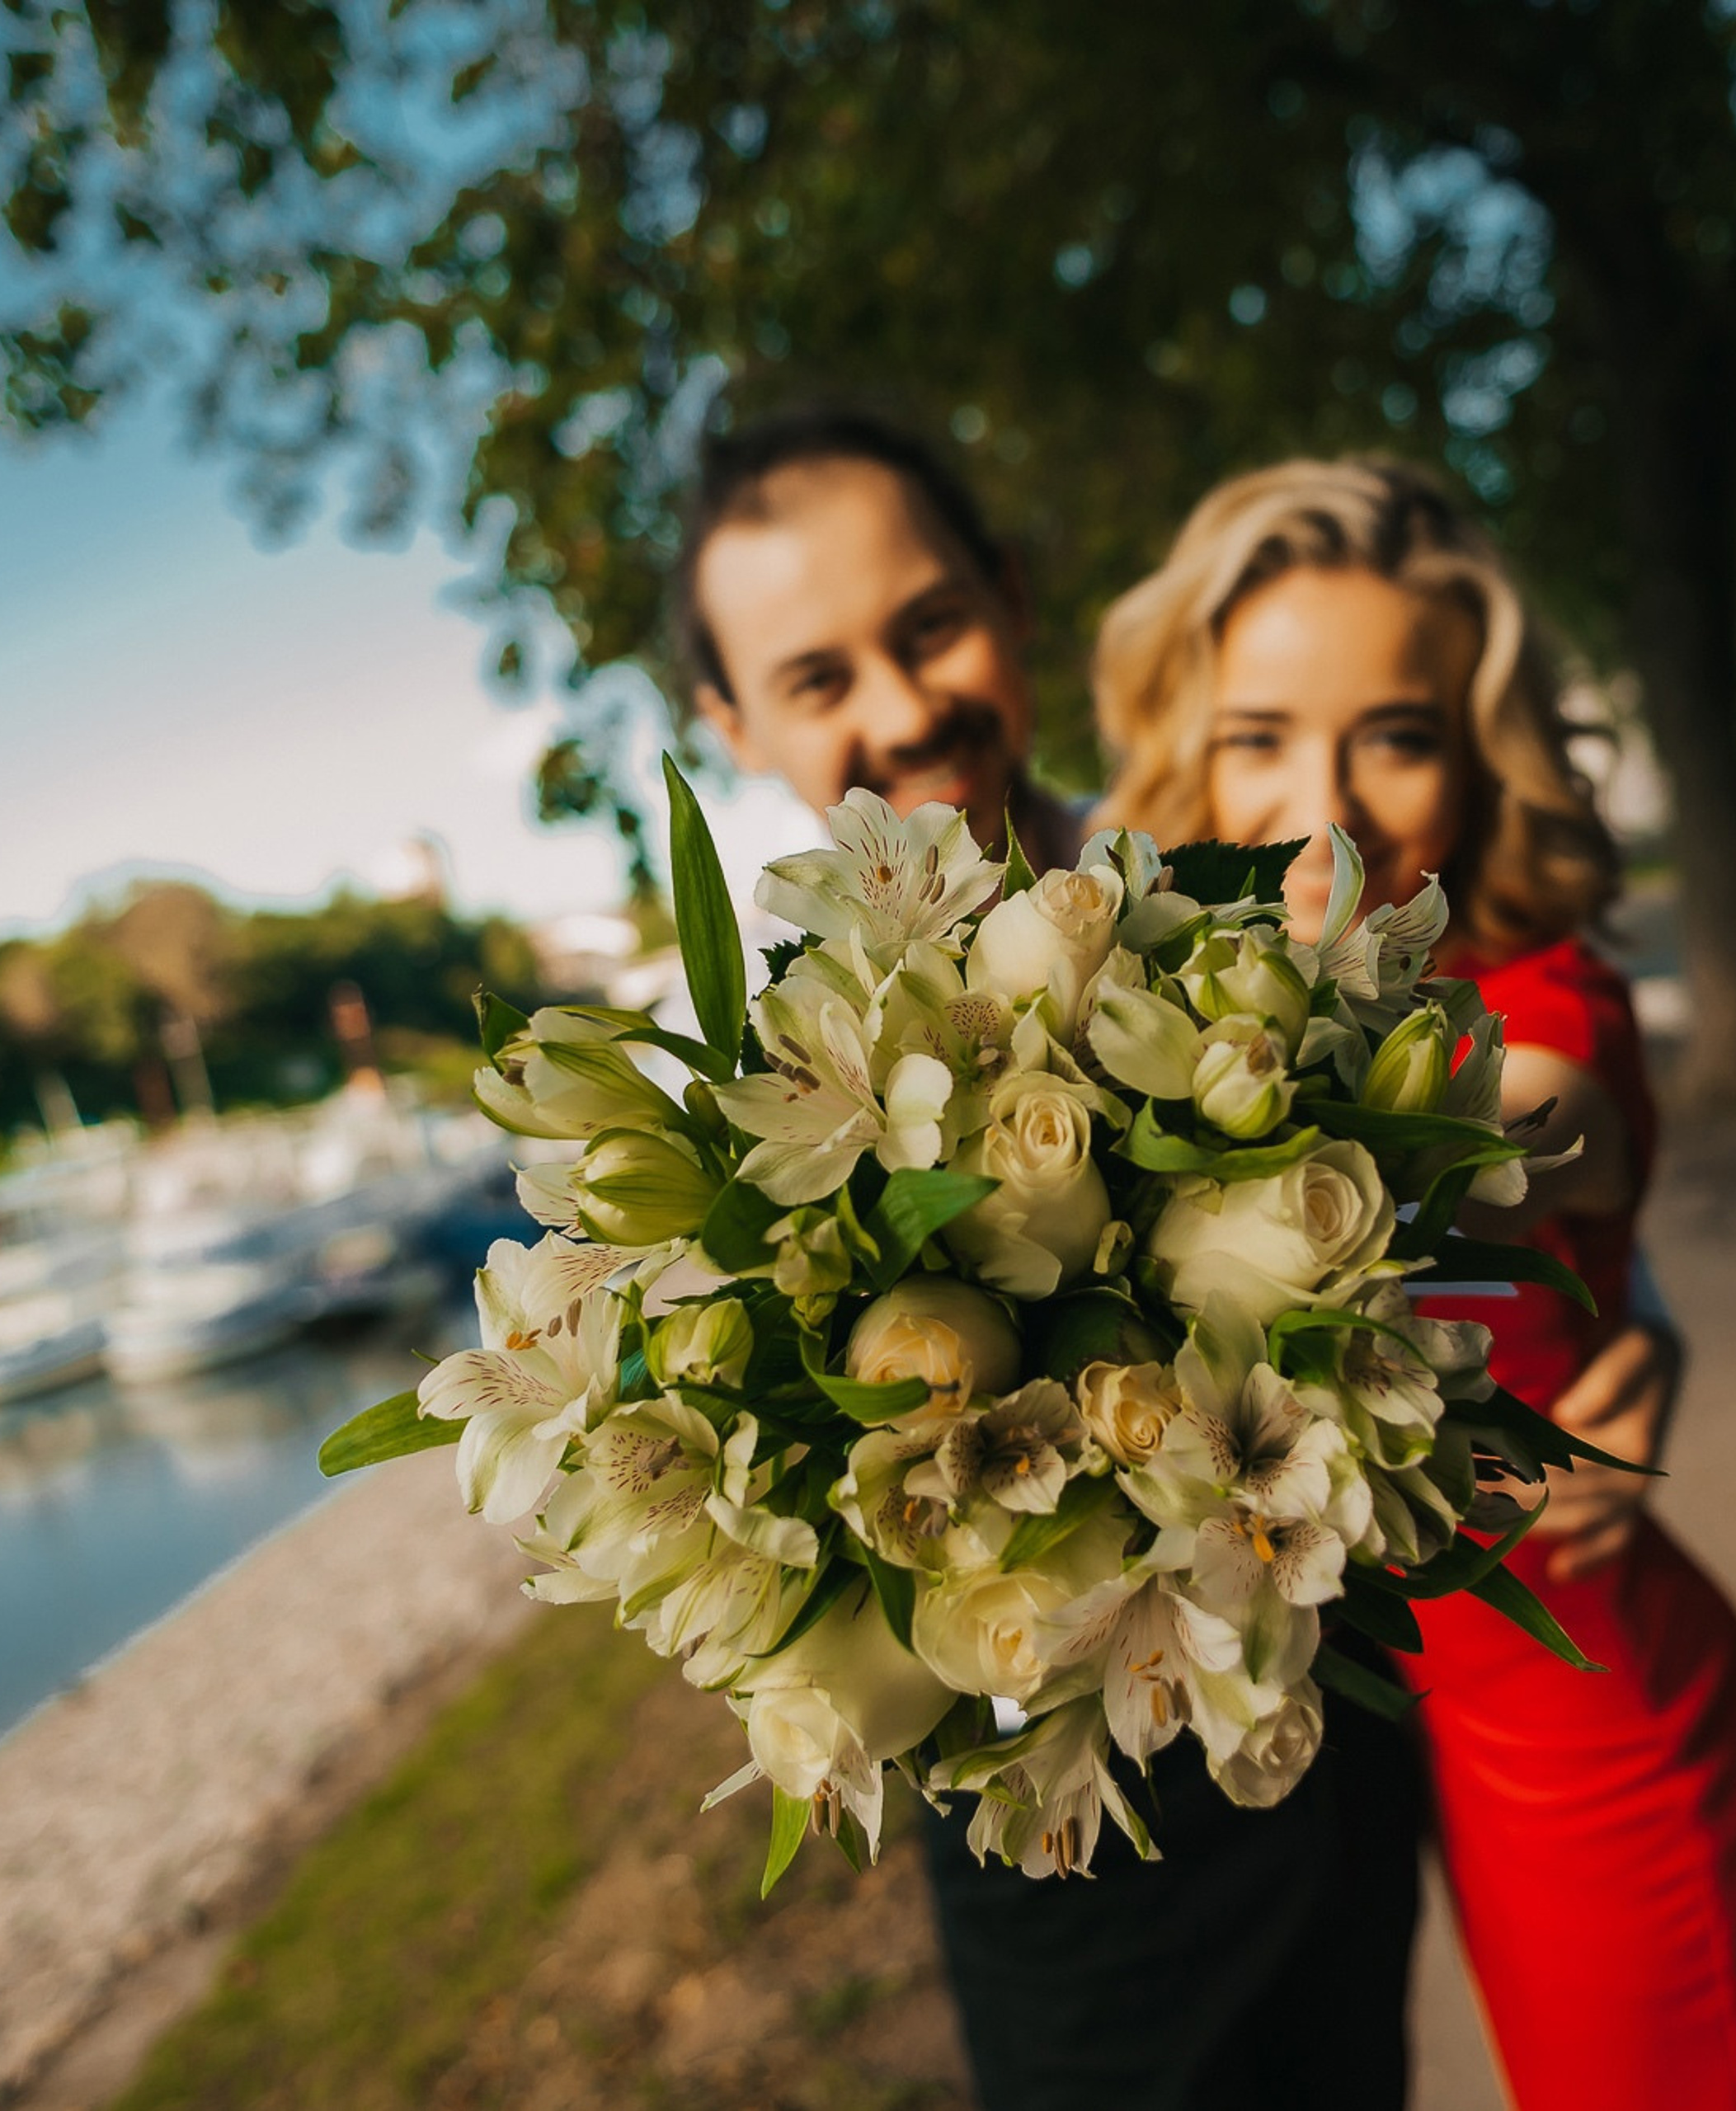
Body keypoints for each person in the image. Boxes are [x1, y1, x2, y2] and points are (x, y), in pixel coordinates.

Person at [671, 406, 1679, 2106]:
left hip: (1344, 1736)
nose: (905, 705)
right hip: (1066, 1846)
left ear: (1006, 590)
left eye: (927, 626)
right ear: (732, 720)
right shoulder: (745, 1092)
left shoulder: (1209, 888)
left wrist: (1645, 1324)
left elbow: (1449, 1160)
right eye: (818, 674)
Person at [1093, 454, 1736, 2111]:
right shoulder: (1148, 1030)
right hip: (1438, 1765)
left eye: (1396, 730)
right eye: (1259, 733)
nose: (1328, 796)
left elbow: (1540, 1128)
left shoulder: (1523, 993)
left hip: (1599, 1741)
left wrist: (1384, 1102)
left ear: (1472, 755)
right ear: (1186, 754)